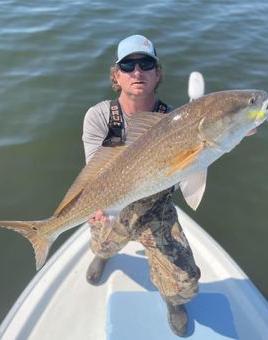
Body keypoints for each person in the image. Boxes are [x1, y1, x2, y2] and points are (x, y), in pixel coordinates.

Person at [82, 34, 200, 337]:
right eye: (128, 65)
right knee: (101, 242)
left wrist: (232, 129)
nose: (137, 72)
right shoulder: (98, 117)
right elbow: (94, 173)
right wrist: (98, 207)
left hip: (157, 206)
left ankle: (172, 300)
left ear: (157, 73)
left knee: (186, 284)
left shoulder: (176, 119)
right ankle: (105, 254)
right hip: (112, 203)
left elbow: (191, 172)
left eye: (146, 64)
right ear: (116, 75)